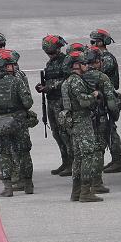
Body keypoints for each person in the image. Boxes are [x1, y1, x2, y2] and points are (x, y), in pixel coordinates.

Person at [0, 51, 35, 196]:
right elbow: (28, 103)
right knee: (24, 152)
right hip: (18, 122)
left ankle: (8, 188)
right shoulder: (17, 81)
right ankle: (28, 185)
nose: (13, 67)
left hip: (0, 123)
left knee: (5, 154)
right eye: (10, 65)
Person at [61, 51, 102, 202]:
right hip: (82, 122)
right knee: (88, 156)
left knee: (78, 157)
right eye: (84, 63)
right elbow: (83, 101)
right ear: (76, 65)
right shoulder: (77, 82)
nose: (87, 66)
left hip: (73, 123)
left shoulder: (66, 82)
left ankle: (76, 191)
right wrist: (94, 95)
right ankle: (86, 192)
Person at [84, 47, 121, 194]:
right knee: (99, 150)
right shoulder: (102, 77)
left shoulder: (79, 77)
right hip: (99, 119)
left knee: (85, 152)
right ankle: (97, 183)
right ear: (98, 62)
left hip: (83, 120)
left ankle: (84, 182)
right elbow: (112, 103)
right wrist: (115, 115)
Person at [36, 35, 73, 175]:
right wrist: (43, 86)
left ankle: (72, 162)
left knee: (65, 133)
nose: (50, 55)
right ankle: (66, 161)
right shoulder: (50, 64)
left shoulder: (65, 61)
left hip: (61, 101)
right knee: (56, 133)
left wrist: (49, 86)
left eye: (51, 52)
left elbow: (67, 80)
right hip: (51, 101)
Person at [90, 29, 121, 173]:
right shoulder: (99, 56)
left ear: (100, 42)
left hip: (107, 96)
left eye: (94, 41)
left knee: (110, 129)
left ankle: (117, 161)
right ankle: (116, 160)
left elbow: (99, 75)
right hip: (102, 96)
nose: (91, 44)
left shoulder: (106, 58)